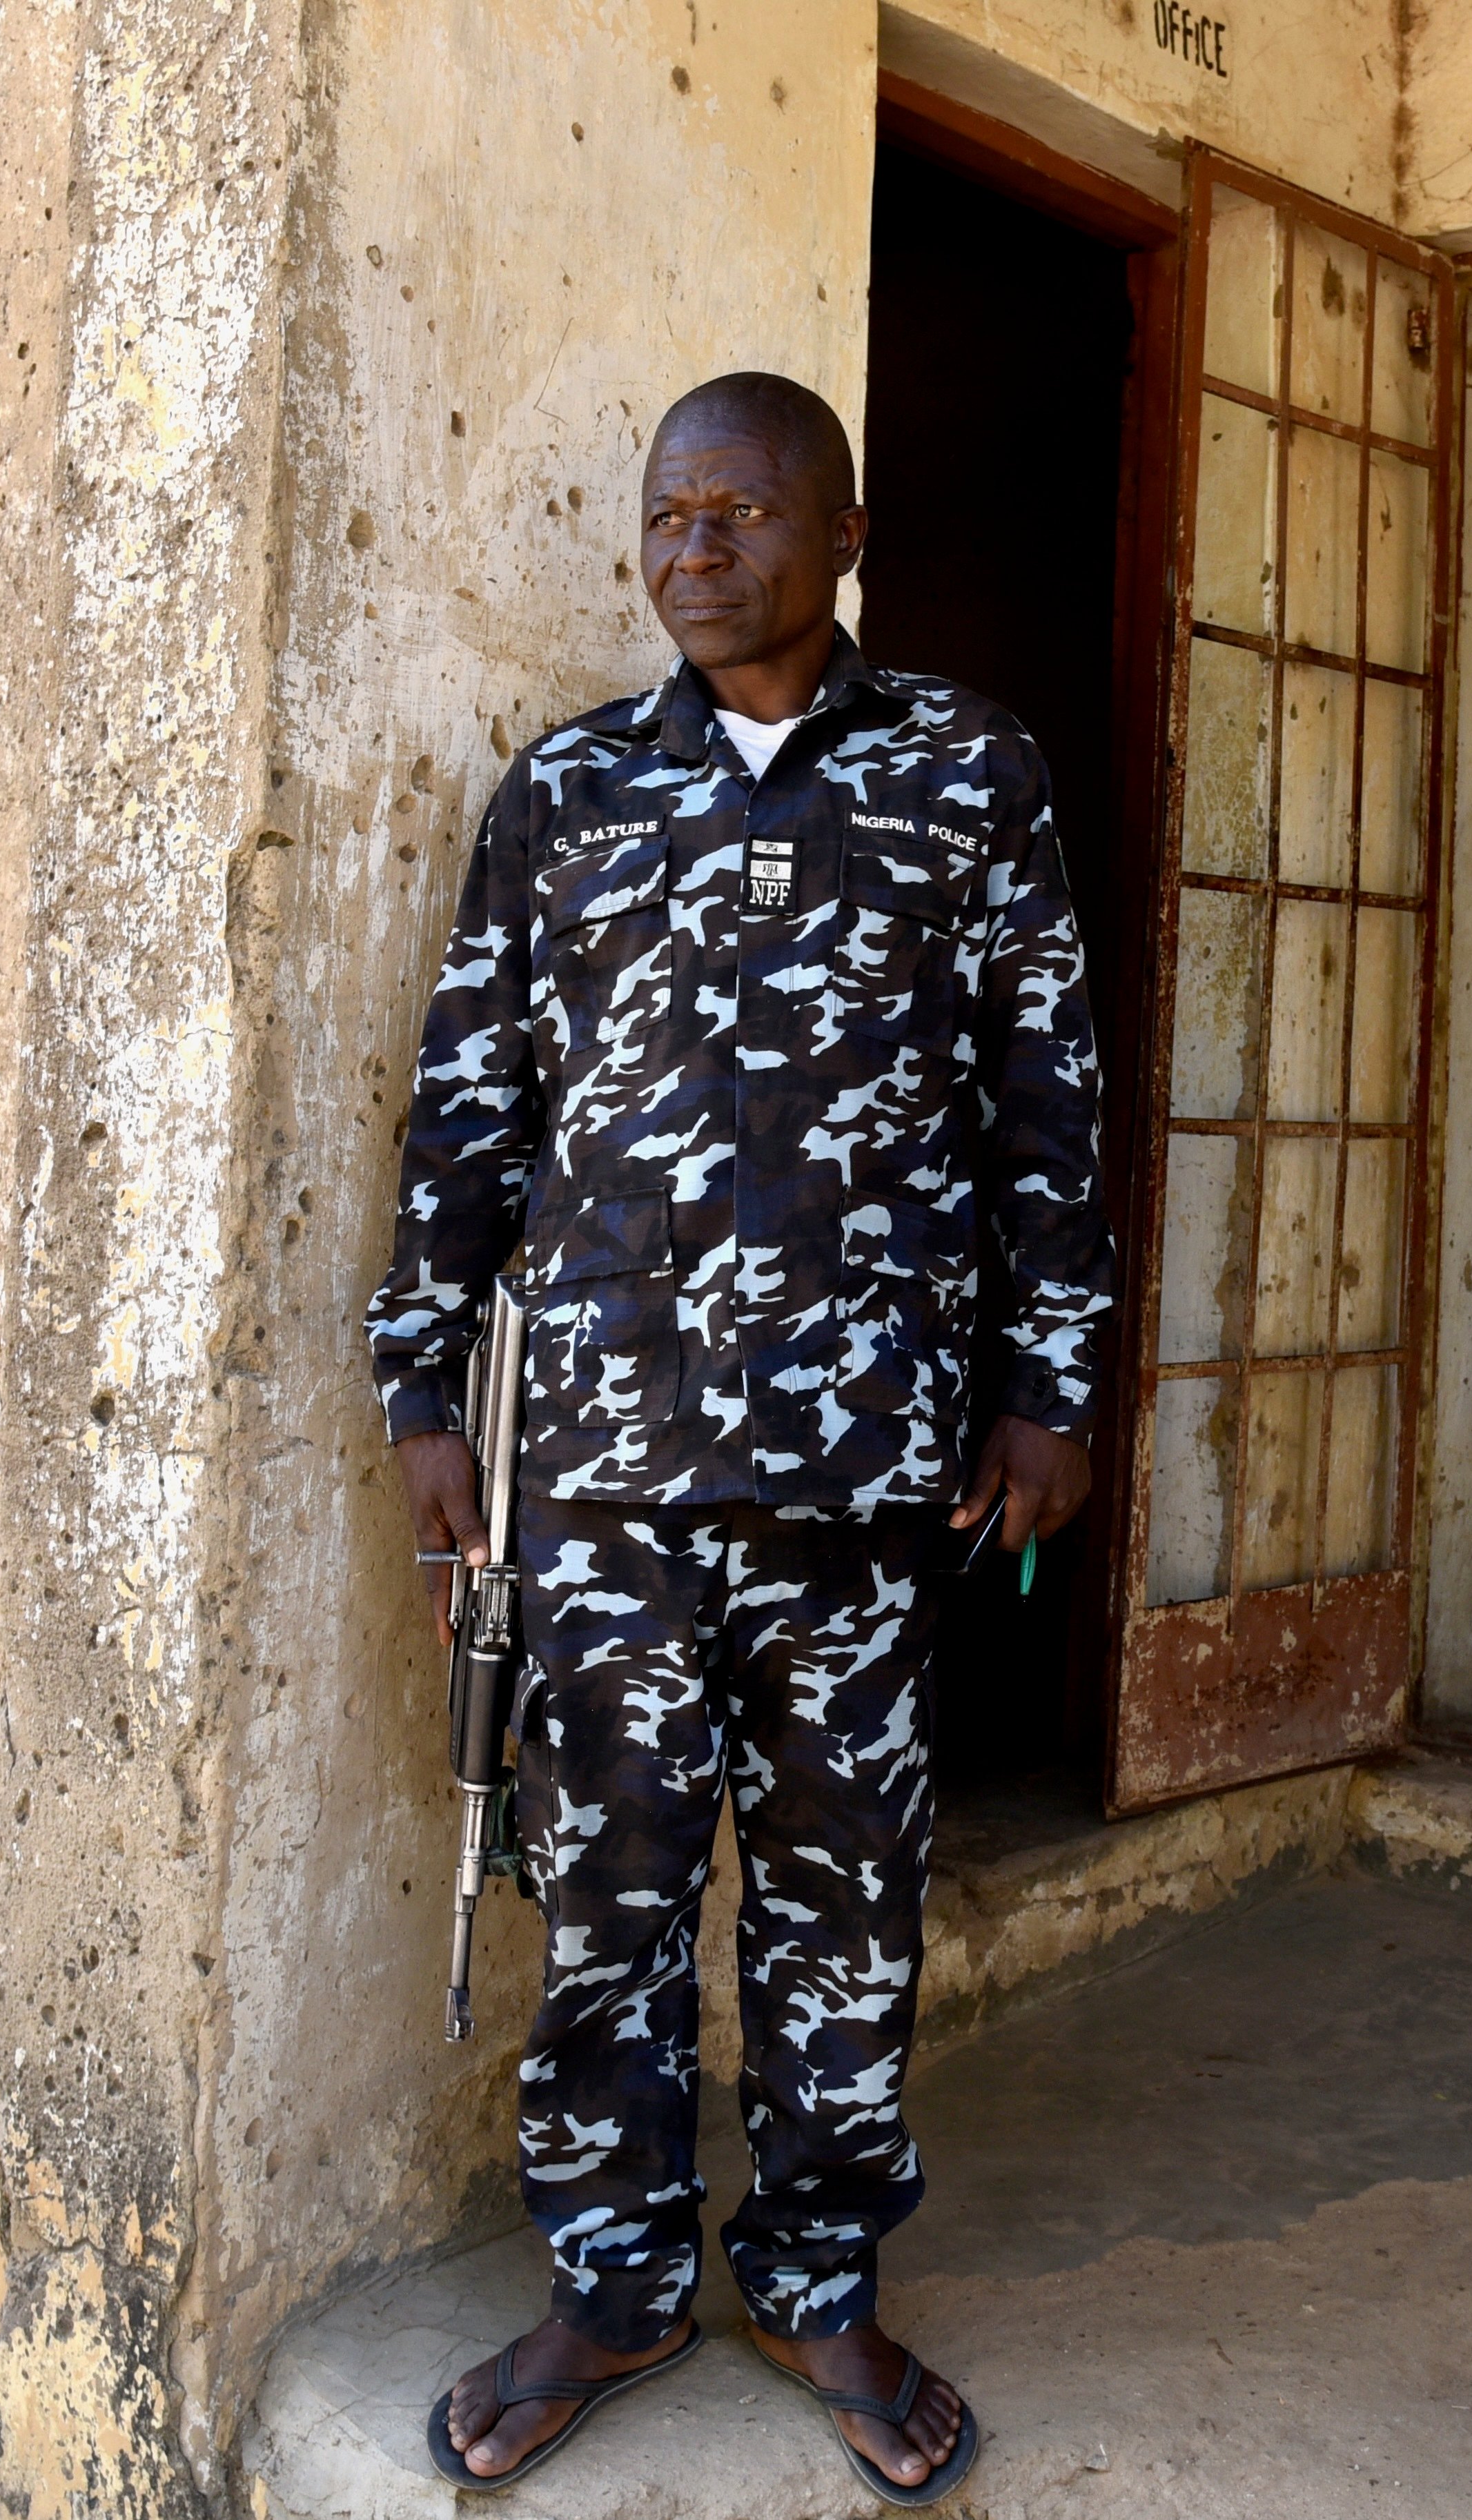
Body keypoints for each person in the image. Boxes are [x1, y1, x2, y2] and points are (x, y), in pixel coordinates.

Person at [364, 369, 1113, 2503]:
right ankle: (610, 2285)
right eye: (668, 514)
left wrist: (1053, 1383)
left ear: (844, 529)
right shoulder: (570, 794)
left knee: (840, 1902)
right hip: (597, 1475)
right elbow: (471, 1104)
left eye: (745, 510)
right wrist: (428, 1393)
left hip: (872, 1479)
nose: (698, 547)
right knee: (601, 1896)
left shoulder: (970, 775)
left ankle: (815, 2280)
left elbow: (1050, 1099)